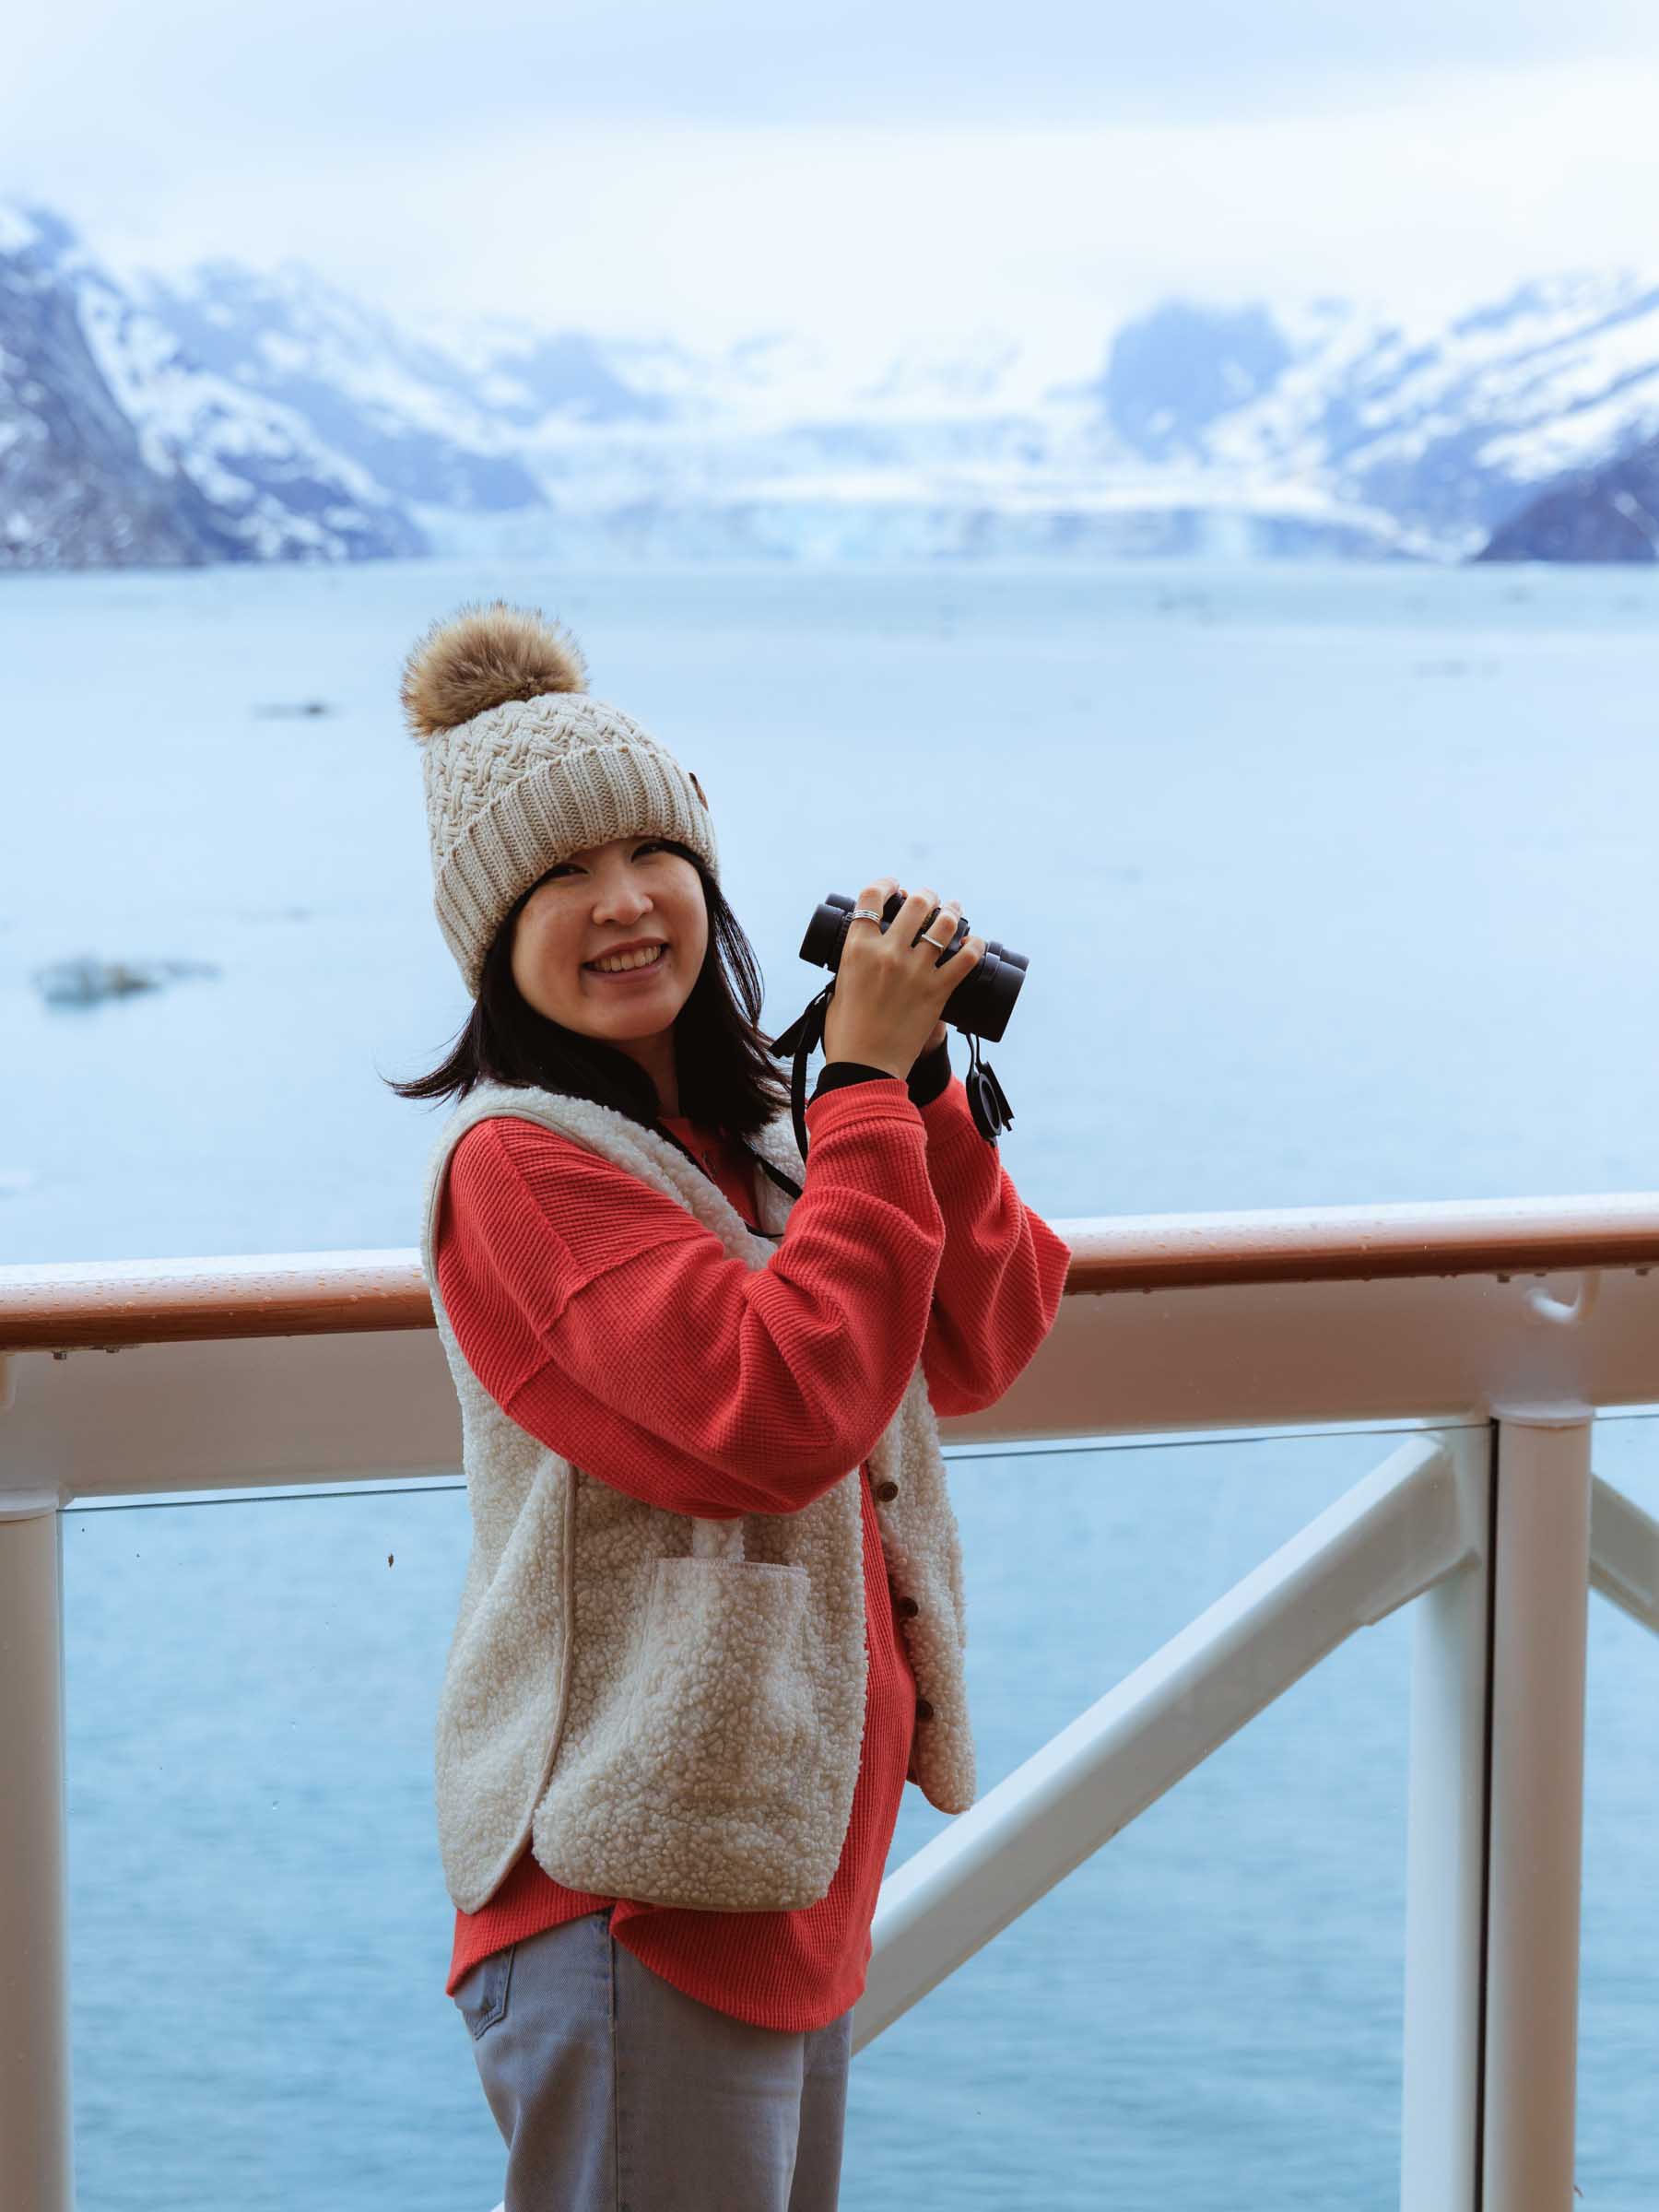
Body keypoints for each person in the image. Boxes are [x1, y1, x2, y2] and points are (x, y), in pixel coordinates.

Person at [389, 599, 1073, 2211]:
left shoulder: (757, 1121)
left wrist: (901, 1097)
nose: (621, 904)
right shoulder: (523, 1170)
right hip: (630, 1890)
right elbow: (774, 1417)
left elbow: (984, 1340)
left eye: (651, 855)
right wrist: (852, 1091)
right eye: (559, 877)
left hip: (774, 1852)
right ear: (491, 933)